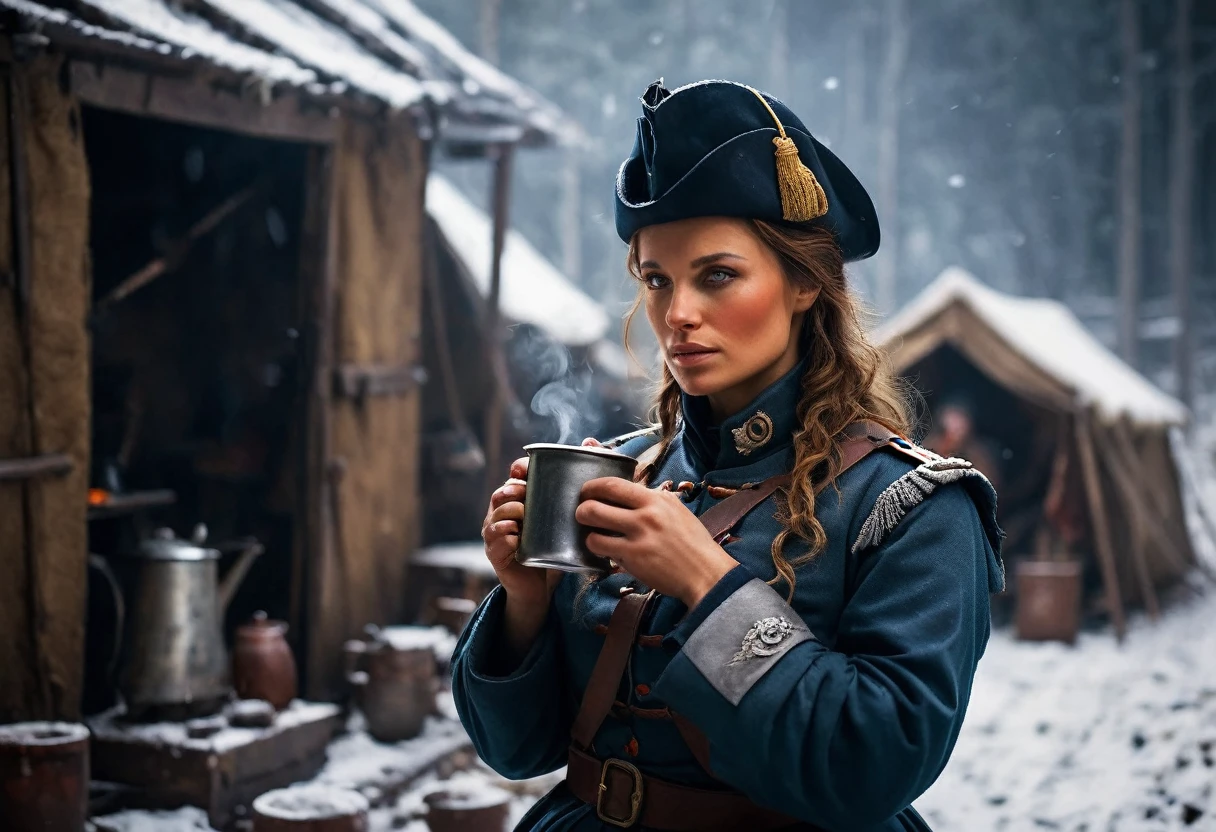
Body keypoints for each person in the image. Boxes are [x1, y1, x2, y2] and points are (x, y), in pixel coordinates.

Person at [451, 79, 1004, 832]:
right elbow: (514, 750)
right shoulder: (624, 471)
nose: (677, 316)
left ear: (806, 280)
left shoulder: (915, 509)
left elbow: (873, 764)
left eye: (717, 275)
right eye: (656, 280)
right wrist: (523, 600)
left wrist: (706, 582)